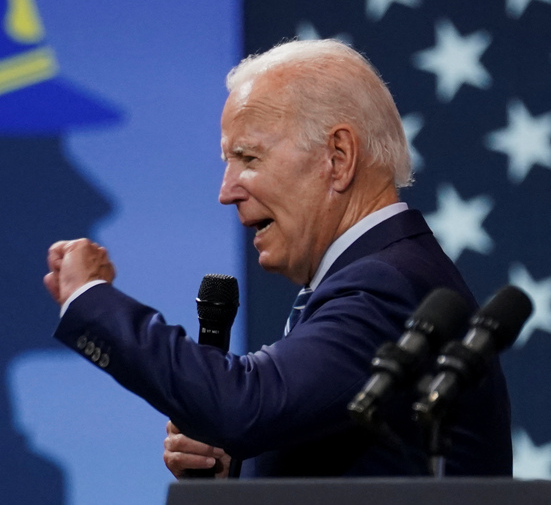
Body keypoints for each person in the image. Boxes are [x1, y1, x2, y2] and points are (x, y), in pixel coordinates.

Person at [43, 39, 513, 478]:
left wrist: (91, 299)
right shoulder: (379, 275)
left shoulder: (387, 286)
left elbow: (247, 405)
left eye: (248, 158)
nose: (226, 192)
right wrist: (237, 465)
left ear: (338, 156)